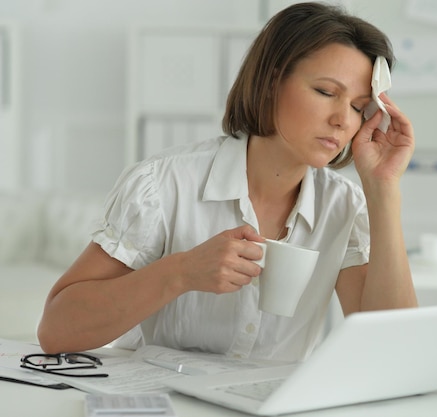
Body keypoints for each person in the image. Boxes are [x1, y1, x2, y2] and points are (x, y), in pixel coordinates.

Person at [37, 2, 417, 362]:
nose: (343, 120)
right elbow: (57, 330)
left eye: (358, 106)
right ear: (271, 82)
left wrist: (383, 188)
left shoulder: (344, 208)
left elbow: (394, 354)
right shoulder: (162, 185)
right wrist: (181, 272)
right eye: (325, 92)